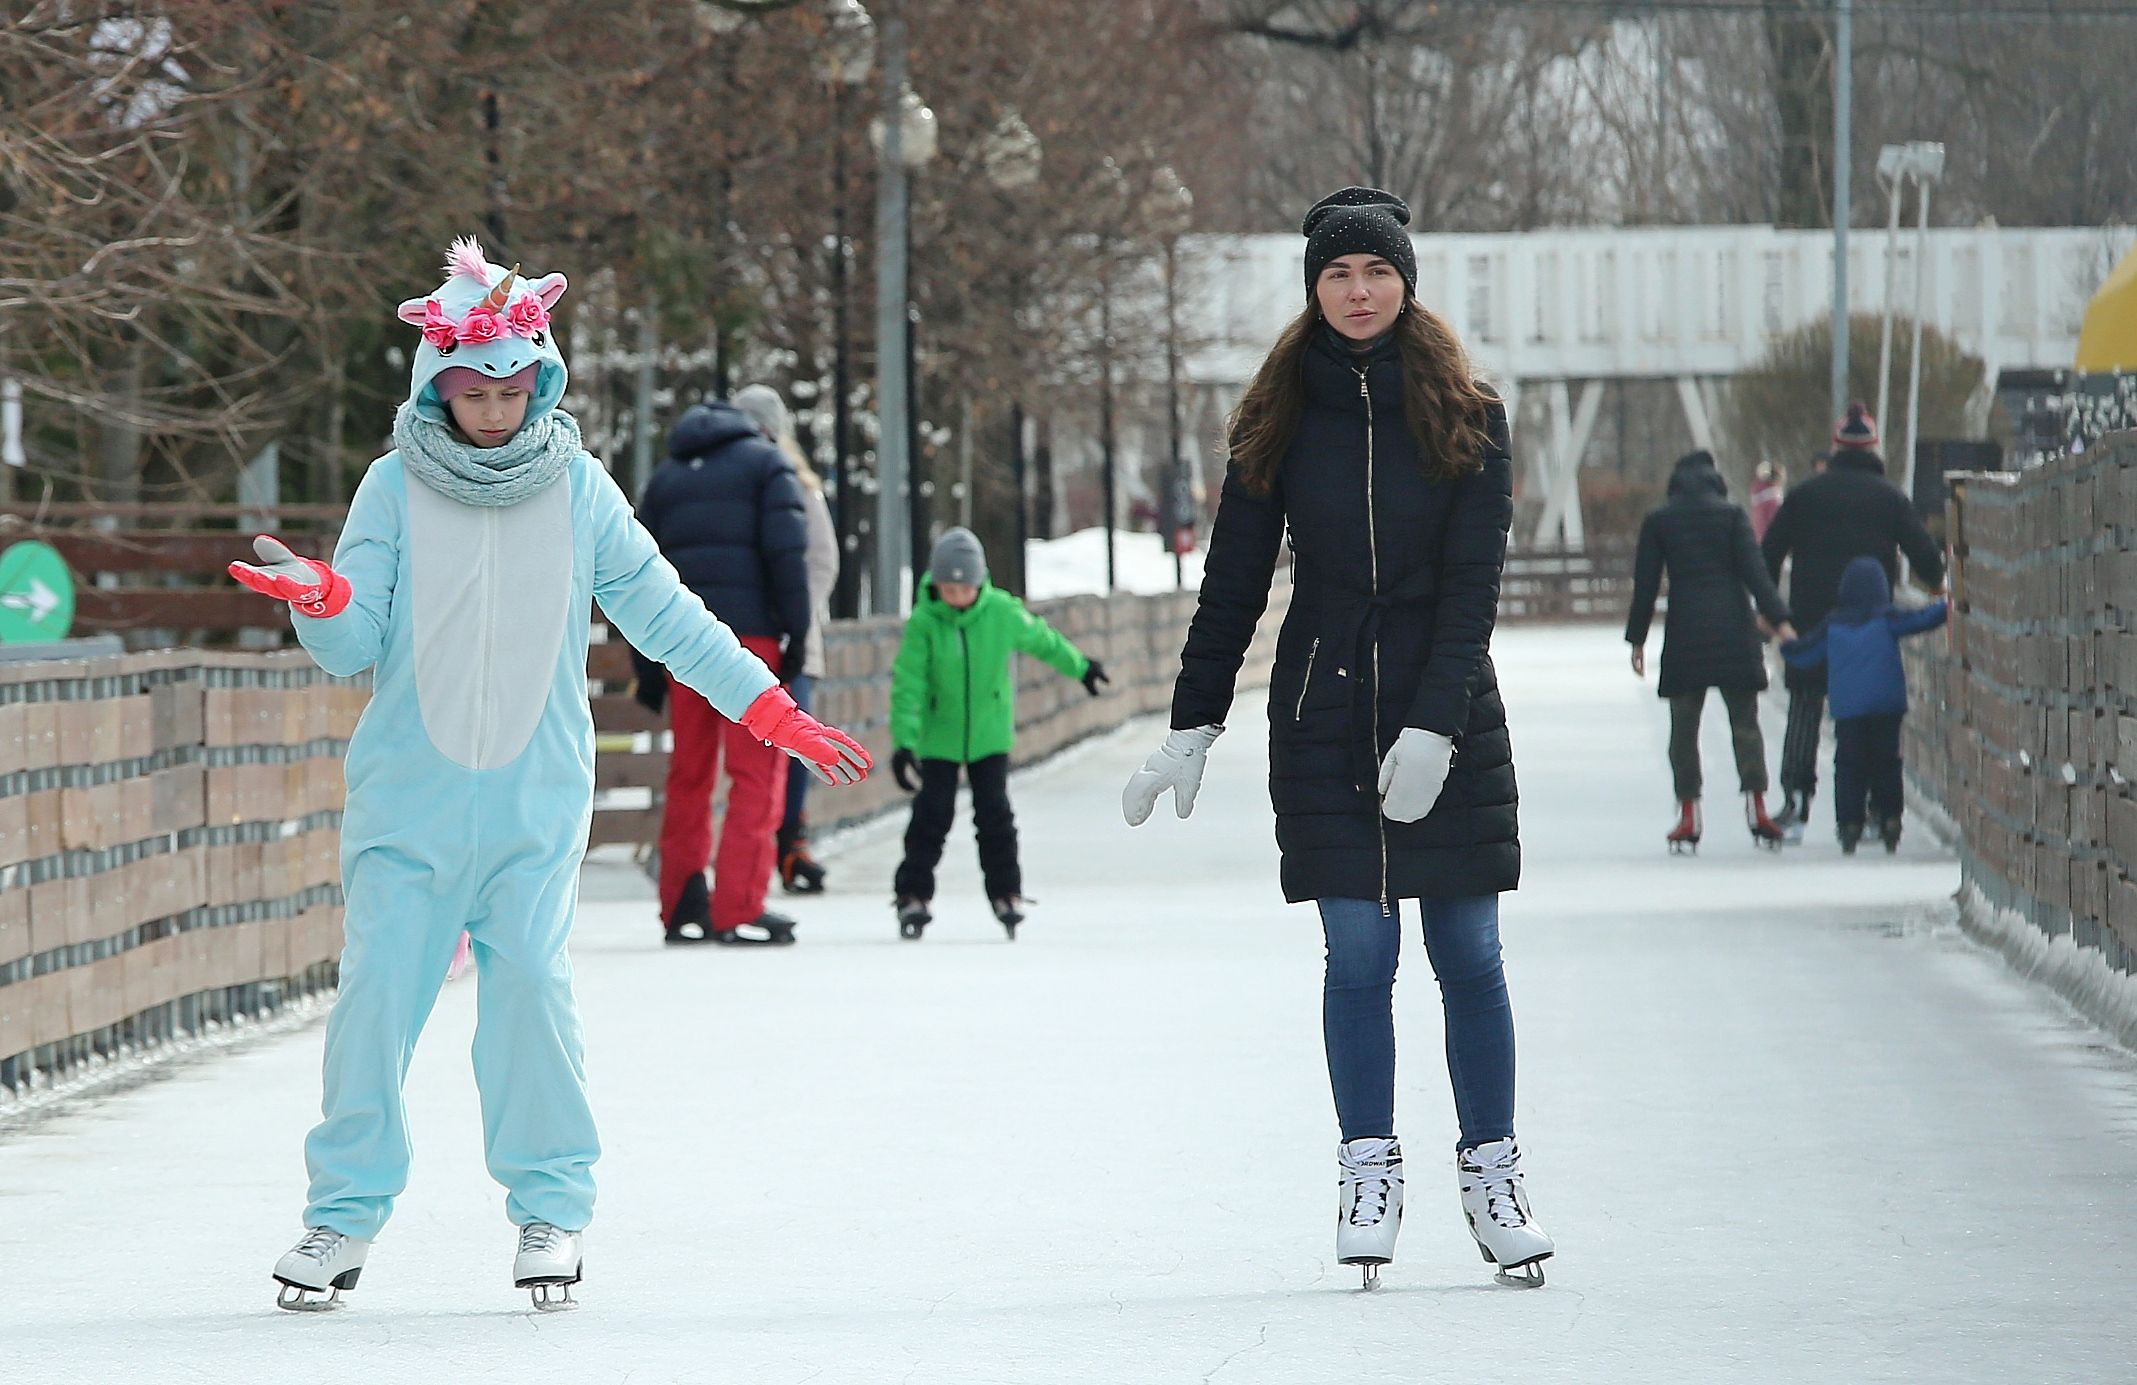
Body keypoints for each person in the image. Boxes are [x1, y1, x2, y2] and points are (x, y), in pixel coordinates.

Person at [229, 237, 870, 1311]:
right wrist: (322, 600)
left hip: (532, 801)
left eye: (510, 387)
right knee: (376, 998)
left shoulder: (576, 489)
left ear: (541, 377)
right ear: (436, 383)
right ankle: (340, 1214)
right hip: (408, 799)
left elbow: (667, 614)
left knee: (529, 987)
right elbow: (357, 642)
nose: (491, 408)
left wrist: (769, 711)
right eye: (471, 390)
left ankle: (550, 1206)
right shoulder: (392, 487)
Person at [1121, 186, 1551, 1289]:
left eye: (1374, 272)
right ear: (1313, 289)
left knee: (1467, 952)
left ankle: (1493, 1176)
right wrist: (1189, 724)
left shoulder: (1467, 413)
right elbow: (1232, 582)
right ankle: (1368, 1171)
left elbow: (1473, 590)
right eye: (1335, 275)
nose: (1357, 291)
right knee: (1358, 953)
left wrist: (1434, 726)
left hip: (1444, 711)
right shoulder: (1276, 417)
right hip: (1319, 713)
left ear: (1404, 280)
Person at [631, 395, 815, 944]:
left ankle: (683, 901)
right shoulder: (767, 465)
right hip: (751, 641)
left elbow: (639, 569)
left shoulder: (665, 478)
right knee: (755, 773)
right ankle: (738, 906)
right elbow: (788, 555)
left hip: (680, 645)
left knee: (689, 773)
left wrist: (646, 661)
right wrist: (799, 633)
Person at [890, 526, 1106, 939]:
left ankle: (1007, 891)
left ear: (978, 582)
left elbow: (1043, 640)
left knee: (995, 816)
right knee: (932, 817)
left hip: (989, 736)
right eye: (947, 589)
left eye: (964, 588)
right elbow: (908, 685)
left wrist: (1081, 667)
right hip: (939, 738)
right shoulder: (924, 624)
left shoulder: (1002, 613)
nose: (956, 597)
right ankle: (912, 895)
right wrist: (904, 743)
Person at [1760, 403, 1945, 843]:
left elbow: (1766, 557)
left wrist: (1774, 614)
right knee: (1869, 721)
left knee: (1805, 707)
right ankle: (1875, 807)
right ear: (1874, 448)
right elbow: (1927, 560)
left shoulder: (1805, 496)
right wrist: (1940, 588)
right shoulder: (1890, 497)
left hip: (1812, 621)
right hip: (1871, 628)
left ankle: (1796, 799)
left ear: (1836, 448)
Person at [1624, 450, 1798, 852]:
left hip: (1686, 635)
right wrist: (1781, 621)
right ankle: (1757, 806)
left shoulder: (1660, 521)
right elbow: (1756, 573)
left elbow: (1645, 584)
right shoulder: (1733, 516)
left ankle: (1688, 813)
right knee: (1745, 724)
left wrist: (1637, 639)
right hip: (1734, 632)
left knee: (1684, 730)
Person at [733, 384, 839, 896]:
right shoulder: (728, 479)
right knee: (751, 756)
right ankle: (747, 858)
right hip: (744, 637)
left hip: (791, 639)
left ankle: (791, 845)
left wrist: (793, 616)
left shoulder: (799, 485)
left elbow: (821, 559)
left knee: (796, 745)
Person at [1781, 557, 1948, 853]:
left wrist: (1785, 643)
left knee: (1849, 766)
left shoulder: (1833, 625)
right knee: (1887, 762)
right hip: (1887, 705)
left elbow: (1804, 655)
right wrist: (1948, 607)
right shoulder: (1888, 619)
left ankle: (1849, 823)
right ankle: (1890, 817)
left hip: (1849, 710)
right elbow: (1921, 620)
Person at [1747, 459, 1784, 542]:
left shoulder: (1757, 491)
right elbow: (1776, 518)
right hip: (1772, 537)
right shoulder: (1772, 495)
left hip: (1759, 535)